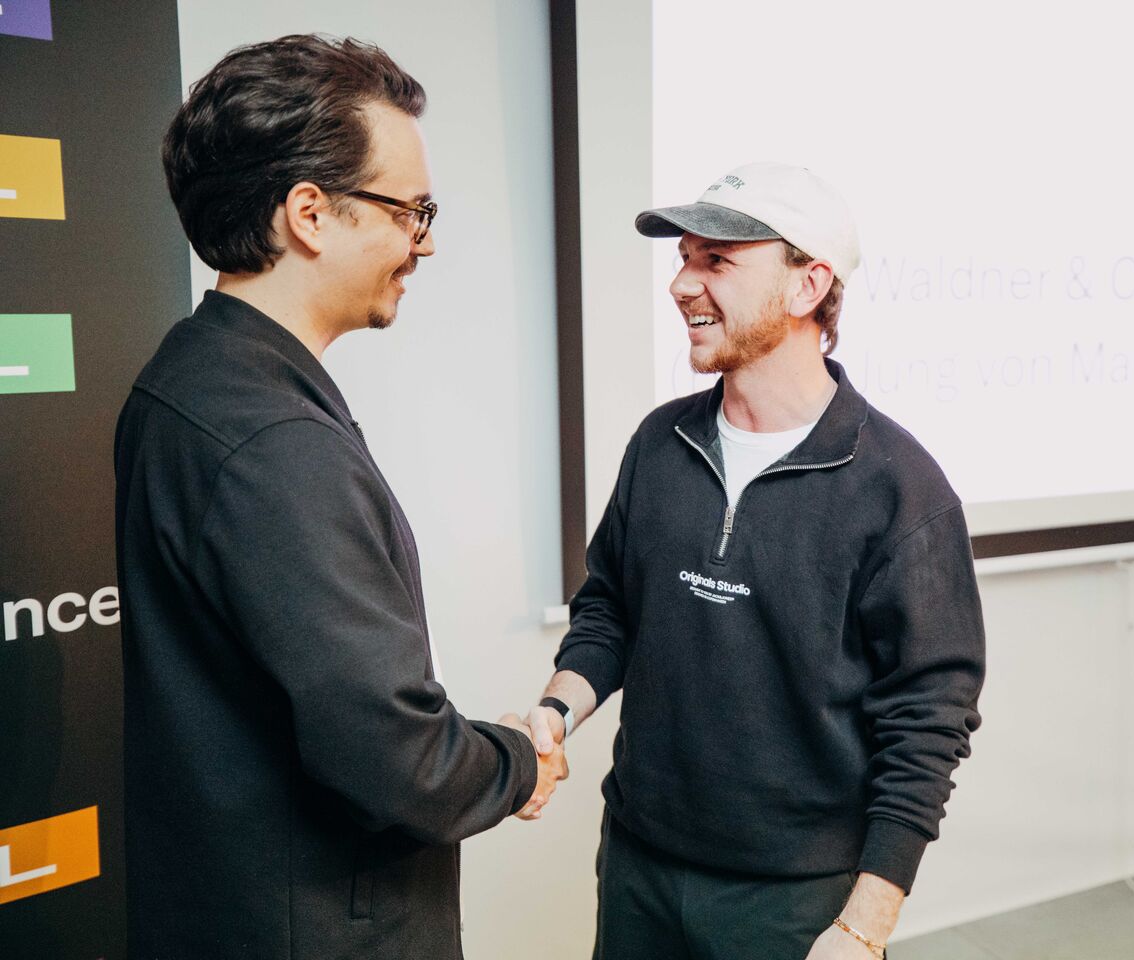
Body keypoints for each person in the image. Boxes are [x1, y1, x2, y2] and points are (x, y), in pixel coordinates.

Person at [114, 35, 565, 960]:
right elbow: (400, 760)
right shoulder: (275, 444)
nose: (426, 242)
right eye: (411, 211)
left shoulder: (187, 376)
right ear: (310, 215)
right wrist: (518, 762)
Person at [520, 162, 986, 959]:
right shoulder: (660, 443)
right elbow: (611, 610)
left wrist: (865, 925)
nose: (682, 284)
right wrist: (555, 711)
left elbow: (929, 717)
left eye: (718, 261)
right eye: (684, 258)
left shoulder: (899, 489)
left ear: (809, 285)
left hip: (795, 899)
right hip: (637, 861)